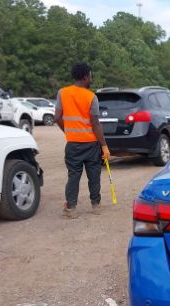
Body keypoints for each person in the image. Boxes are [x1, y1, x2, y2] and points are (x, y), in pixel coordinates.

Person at [54, 62, 110, 219]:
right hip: (91, 145)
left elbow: (57, 117)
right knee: (94, 175)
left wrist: (68, 131)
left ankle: (70, 209)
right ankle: (96, 205)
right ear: (85, 77)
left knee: (73, 176)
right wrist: (104, 146)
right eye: (91, 76)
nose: (91, 78)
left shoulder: (62, 93)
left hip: (73, 145)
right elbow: (96, 124)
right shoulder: (91, 97)